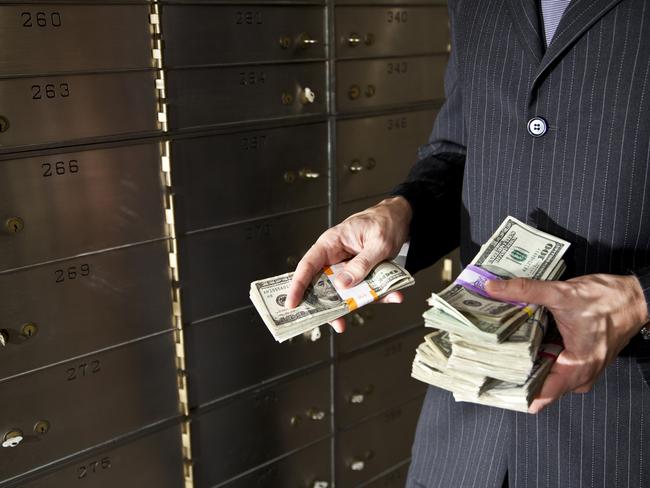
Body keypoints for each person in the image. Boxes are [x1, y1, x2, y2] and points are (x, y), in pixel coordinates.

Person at [287, 0, 650, 486]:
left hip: (624, 432)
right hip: (465, 425)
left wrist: (639, 299)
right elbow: (462, 146)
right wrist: (402, 211)